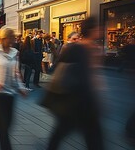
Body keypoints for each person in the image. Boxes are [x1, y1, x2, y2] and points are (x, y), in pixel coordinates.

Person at [44, 17, 104, 150]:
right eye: (98, 28)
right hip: (74, 100)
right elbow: (59, 70)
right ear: (92, 30)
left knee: (92, 137)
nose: (100, 31)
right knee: (63, 132)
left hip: (84, 101)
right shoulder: (77, 49)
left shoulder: (92, 48)